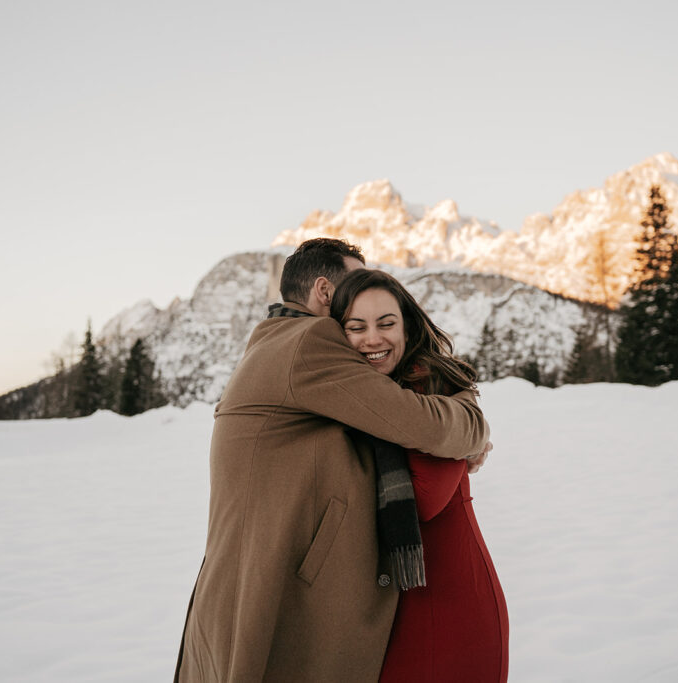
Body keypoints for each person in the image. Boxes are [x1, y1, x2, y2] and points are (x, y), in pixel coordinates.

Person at [175, 239, 491, 682]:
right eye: (352, 285)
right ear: (325, 291)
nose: (360, 295)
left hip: (249, 584)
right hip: (277, 590)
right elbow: (420, 423)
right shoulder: (311, 340)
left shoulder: (272, 341)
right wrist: (471, 424)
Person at [330, 268, 509, 682]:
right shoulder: (357, 400)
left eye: (386, 323)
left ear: (407, 326)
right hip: (392, 609)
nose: (373, 339)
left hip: (448, 604)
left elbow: (424, 499)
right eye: (356, 327)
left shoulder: (430, 388)